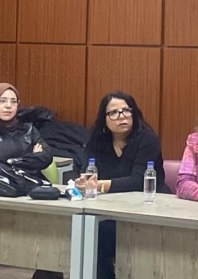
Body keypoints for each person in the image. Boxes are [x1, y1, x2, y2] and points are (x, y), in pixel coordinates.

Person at [77, 91, 170, 279]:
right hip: (111, 209)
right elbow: (86, 169)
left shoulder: (147, 139)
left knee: (100, 235)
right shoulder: (97, 141)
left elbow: (138, 181)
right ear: (104, 119)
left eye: (126, 110)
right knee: (85, 232)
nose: (122, 116)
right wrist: (83, 182)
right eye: (114, 112)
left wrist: (99, 185)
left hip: (149, 209)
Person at [0, 83, 52, 175]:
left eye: (13, 101)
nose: (9, 105)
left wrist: (13, 161)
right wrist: (31, 159)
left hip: (31, 180)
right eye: (2, 101)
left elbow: (47, 156)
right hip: (1, 183)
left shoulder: (28, 129)